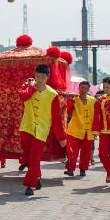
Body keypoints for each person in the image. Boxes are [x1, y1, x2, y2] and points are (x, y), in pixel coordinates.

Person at [18, 64, 66, 197]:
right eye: (37, 76)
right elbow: (23, 97)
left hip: (41, 131)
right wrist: (31, 88)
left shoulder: (52, 94)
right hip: (26, 128)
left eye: (41, 77)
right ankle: (37, 177)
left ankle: (30, 185)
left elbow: (56, 118)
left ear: (47, 77)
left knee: (34, 158)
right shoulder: (27, 87)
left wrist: (62, 138)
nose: (38, 79)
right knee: (28, 158)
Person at [64, 80, 95, 178]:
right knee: (72, 151)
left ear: (88, 89)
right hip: (75, 130)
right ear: (79, 88)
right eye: (82, 88)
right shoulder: (73, 99)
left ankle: (83, 169)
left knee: (86, 152)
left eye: (86, 88)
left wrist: (97, 130)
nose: (83, 90)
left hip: (88, 130)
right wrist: (70, 101)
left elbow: (97, 115)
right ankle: (70, 169)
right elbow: (68, 112)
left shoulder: (93, 100)